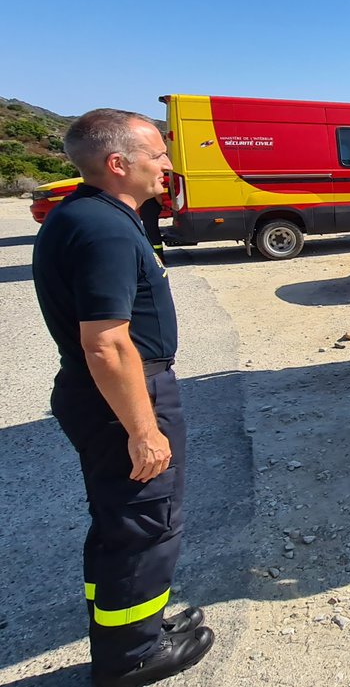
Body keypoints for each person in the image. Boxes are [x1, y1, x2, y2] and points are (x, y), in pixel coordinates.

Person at [32, 109, 215, 686]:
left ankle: (137, 626)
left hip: (113, 390)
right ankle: (132, 658)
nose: (168, 163)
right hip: (125, 393)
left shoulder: (92, 216)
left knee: (121, 522)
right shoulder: (104, 228)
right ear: (118, 164)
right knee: (145, 522)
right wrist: (142, 429)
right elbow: (107, 343)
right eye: (158, 154)